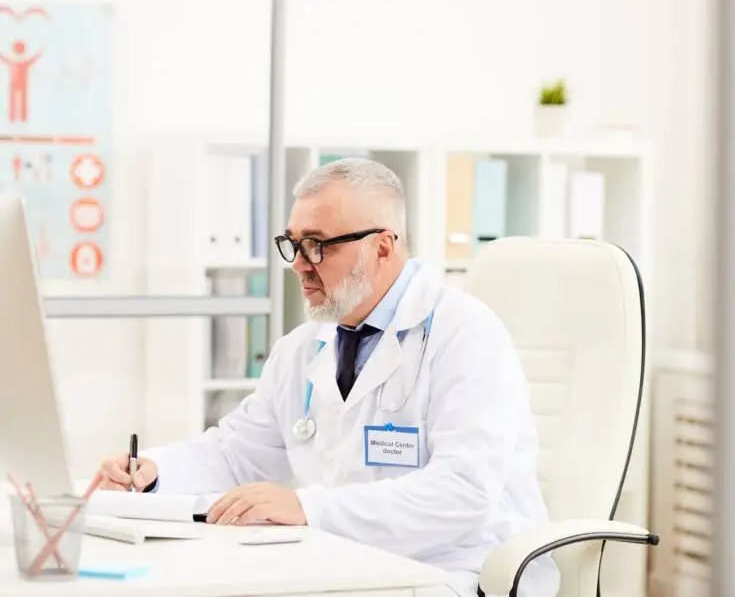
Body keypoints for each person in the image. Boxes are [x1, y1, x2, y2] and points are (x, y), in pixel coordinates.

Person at [96, 158, 559, 597]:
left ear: (382, 246)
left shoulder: (465, 334)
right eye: (293, 243)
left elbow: (463, 491)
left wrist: (306, 507)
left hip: (457, 570)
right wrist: (154, 472)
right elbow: (238, 453)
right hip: (344, 560)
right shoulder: (305, 346)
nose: (298, 263)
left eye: (316, 244)